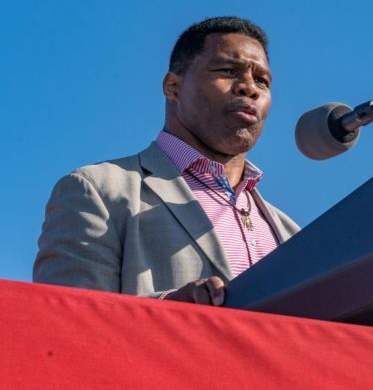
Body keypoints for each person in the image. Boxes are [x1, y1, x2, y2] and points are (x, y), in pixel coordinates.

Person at [33, 16, 299, 306]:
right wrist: (171, 312)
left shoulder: (291, 234)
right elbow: (67, 321)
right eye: (228, 70)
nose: (250, 87)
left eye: (262, 80)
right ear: (173, 86)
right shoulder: (97, 190)